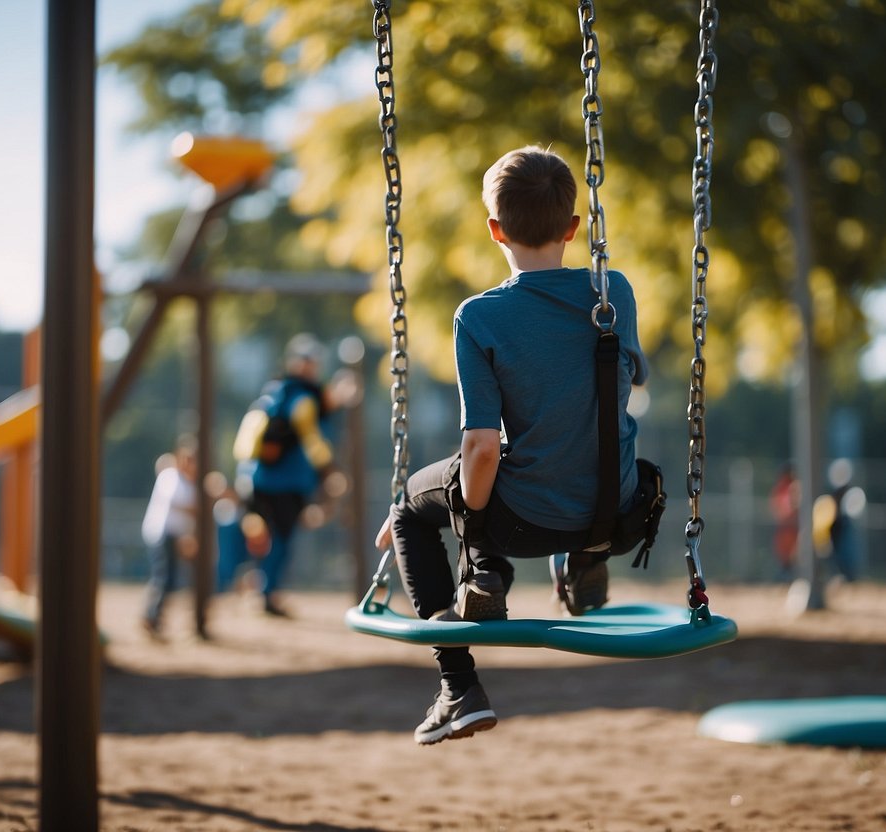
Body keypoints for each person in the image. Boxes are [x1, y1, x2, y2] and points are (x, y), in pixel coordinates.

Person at [374, 146, 648, 744]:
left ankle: (459, 685)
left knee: (408, 513)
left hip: (522, 523)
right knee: (581, 444)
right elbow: (631, 377)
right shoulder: (616, 292)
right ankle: (583, 560)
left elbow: (480, 447)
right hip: (615, 510)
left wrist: (466, 527)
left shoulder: (480, 316)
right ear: (574, 229)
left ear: (493, 229)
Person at [224, 333, 356, 617]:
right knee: (281, 538)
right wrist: (328, 469)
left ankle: (253, 582)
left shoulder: (274, 390)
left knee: (262, 535)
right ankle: (266, 591)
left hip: (255, 476)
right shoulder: (303, 396)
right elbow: (311, 437)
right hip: (285, 482)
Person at [140, 436, 199, 640]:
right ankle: (151, 616)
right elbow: (178, 505)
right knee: (163, 577)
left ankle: (155, 617)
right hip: (162, 534)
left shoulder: (188, 483)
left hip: (173, 536)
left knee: (170, 579)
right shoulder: (171, 476)